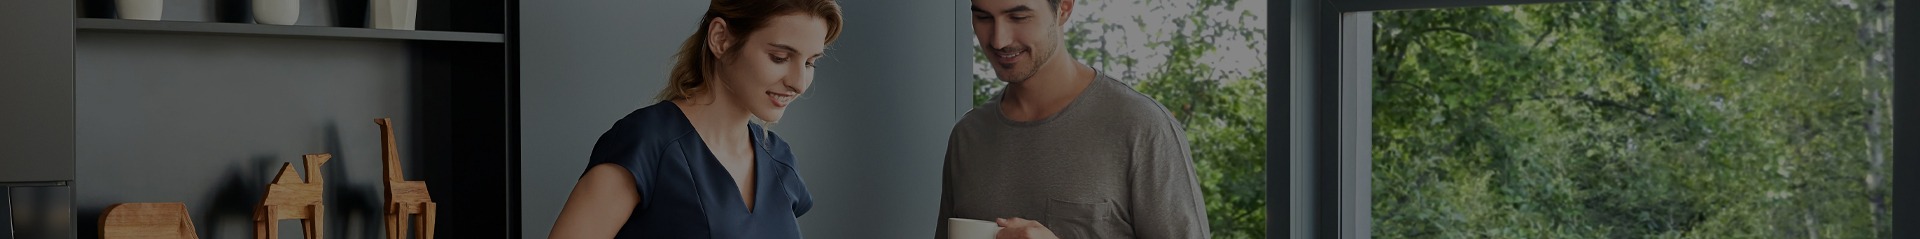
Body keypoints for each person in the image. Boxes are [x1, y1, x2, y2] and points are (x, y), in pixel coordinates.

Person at [548, 0, 841, 238]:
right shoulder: (648, 143)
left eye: (810, 62)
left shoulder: (779, 160)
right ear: (721, 39)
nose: (799, 83)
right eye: (779, 57)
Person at [936, 0, 1210, 238]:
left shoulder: (1141, 126)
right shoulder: (968, 136)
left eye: (1018, 17)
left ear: (1064, 8)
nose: (999, 40)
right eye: (983, 17)